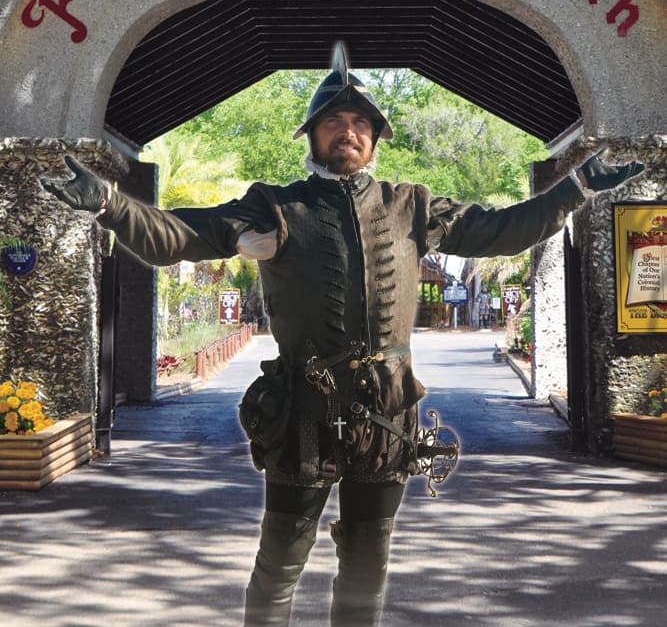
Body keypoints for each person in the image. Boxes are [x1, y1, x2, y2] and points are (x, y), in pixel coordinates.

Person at [40, 43, 644, 627]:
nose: (347, 131)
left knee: (368, 559)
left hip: (387, 408)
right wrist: (110, 205)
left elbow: (502, 230)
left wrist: (576, 187)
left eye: (359, 122)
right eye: (333, 121)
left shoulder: (412, 205)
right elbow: (177, 233)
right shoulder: (274, 207)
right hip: (302, 406)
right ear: (311, 136)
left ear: (376, 138)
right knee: (280, 560)